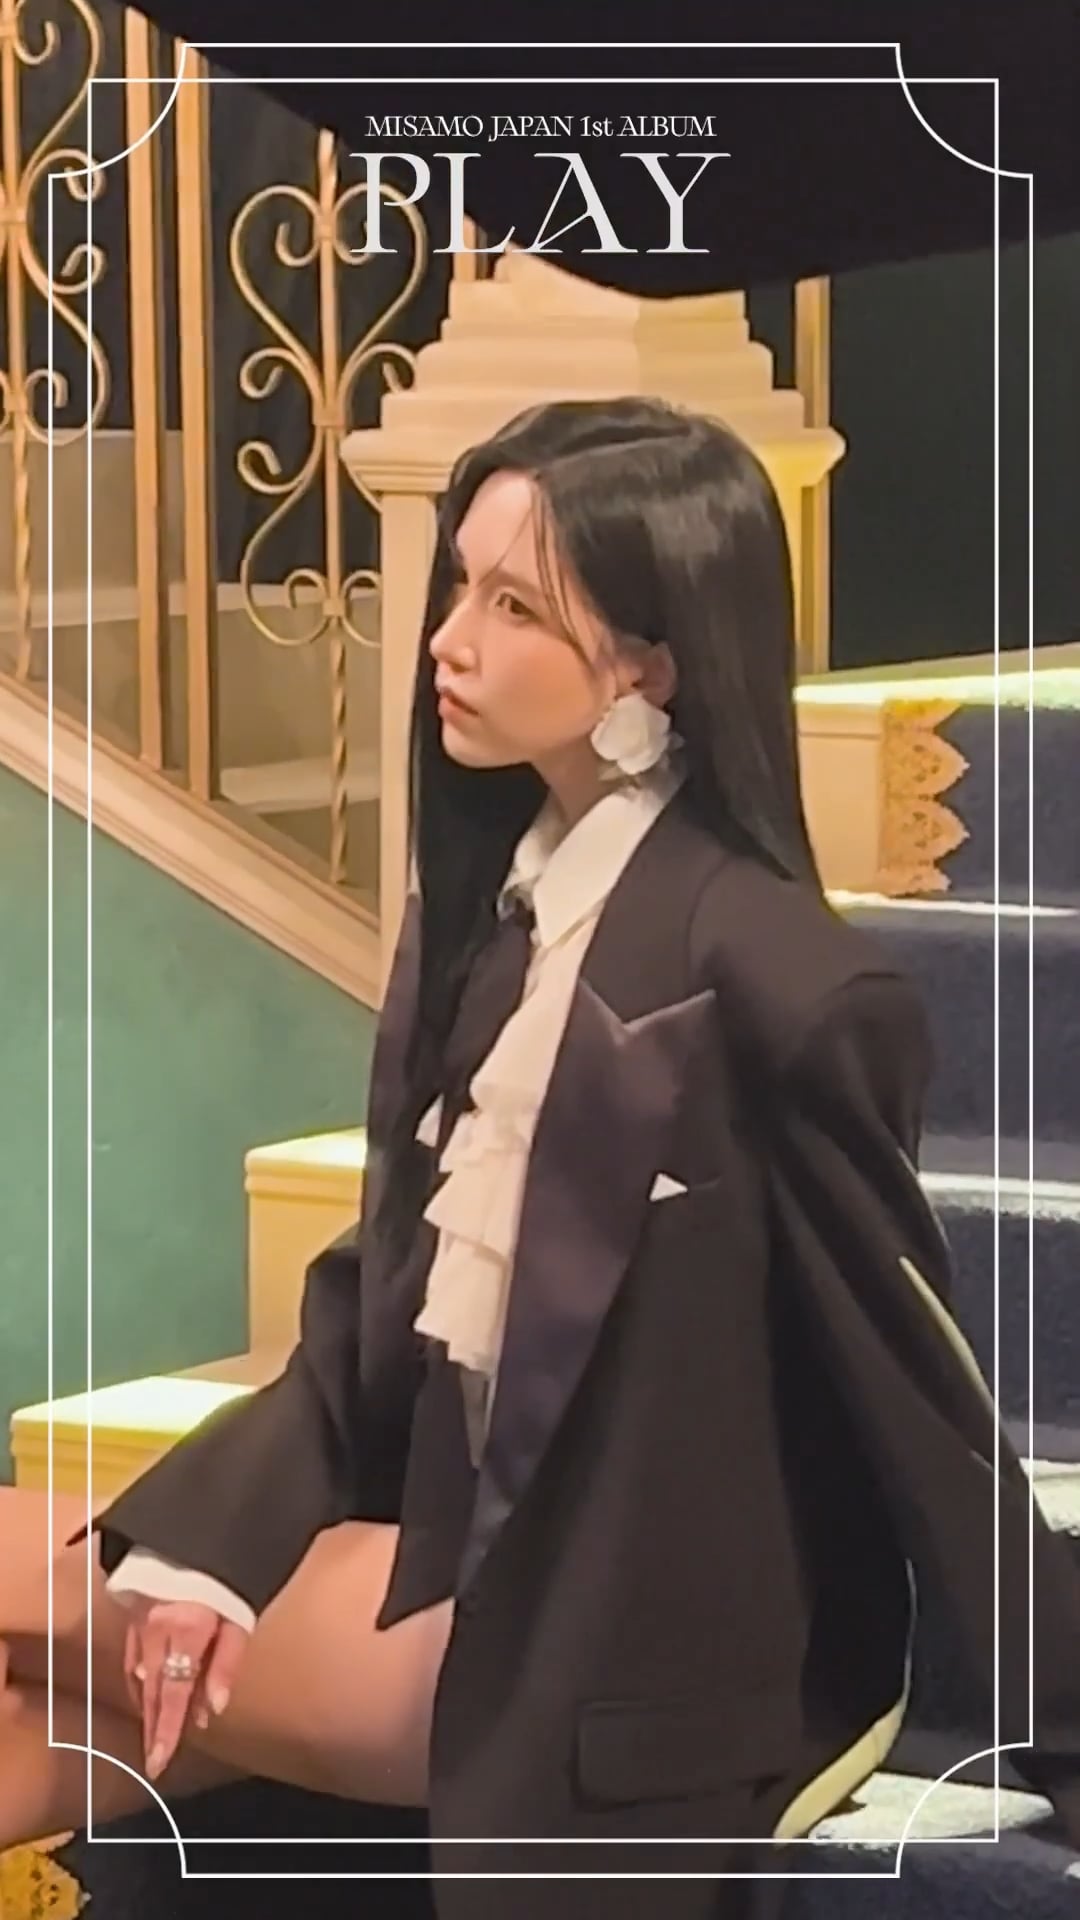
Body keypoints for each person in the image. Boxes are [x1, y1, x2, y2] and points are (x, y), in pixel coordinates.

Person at [2, 396, 1080, 1920]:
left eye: (516, 608)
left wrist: (1059, 1711)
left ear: (649, 665)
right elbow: (366, 1331)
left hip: (626, 1666)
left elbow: (921, 1398)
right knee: (45, 1685)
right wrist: (207, 1555)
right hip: (461, 1566)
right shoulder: (494, 934)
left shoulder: (784, 985)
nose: (448, 639)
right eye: (461, 584)